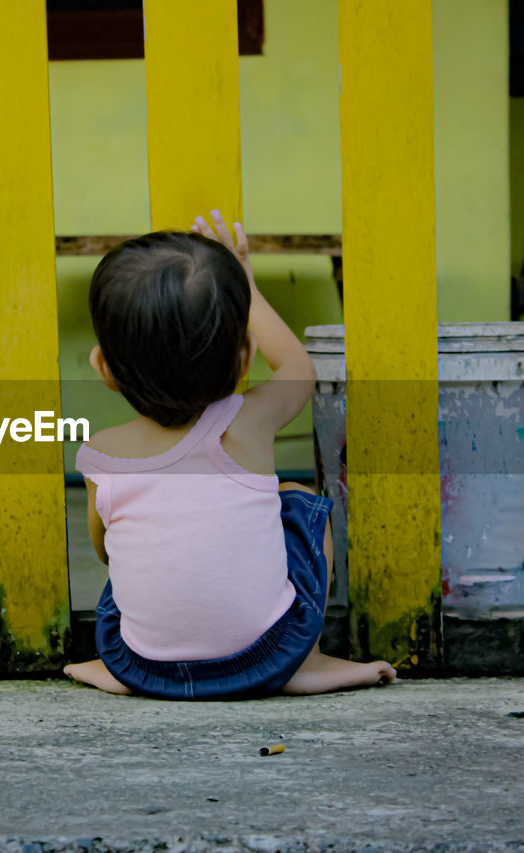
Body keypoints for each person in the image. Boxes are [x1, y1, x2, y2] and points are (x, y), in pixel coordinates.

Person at [63, 209, 396, 699]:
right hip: (270, 656)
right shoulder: (247, 423)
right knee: (301, 502)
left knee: (132, 551)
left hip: (141, 665)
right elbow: (298, 367)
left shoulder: (99, 453)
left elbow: (104, 550)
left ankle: (120, 668)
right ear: (244, 357)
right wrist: (250, 289)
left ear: (103, 368)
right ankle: (309, 660)